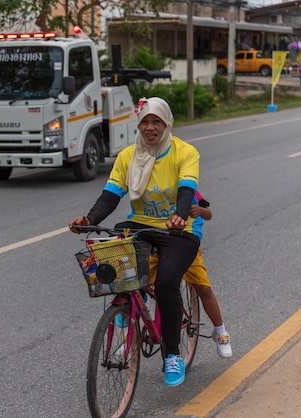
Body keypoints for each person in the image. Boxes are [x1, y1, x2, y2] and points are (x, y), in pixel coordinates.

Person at [69, 97, 202, 387]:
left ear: (167, 124)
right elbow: (111, 195)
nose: (150, 128)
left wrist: (180, 216)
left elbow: (187, 189)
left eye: (157, 122)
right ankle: (125, 316)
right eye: (145, 122)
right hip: (141, 224)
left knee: (166, 282)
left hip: (179, 230)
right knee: (114, 262)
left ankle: (172, 354)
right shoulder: (128, 155)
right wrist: (89, 219)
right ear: (138, 124)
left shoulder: (185, 152)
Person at [149, 190, 233, 358]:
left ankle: (220, 331)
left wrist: (200, 211)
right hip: (158, 241)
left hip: (186, 243)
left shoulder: (190, 190)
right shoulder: (155, 187)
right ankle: (130, 323)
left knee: (203, 288)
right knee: (136, 275)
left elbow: (208, 213)